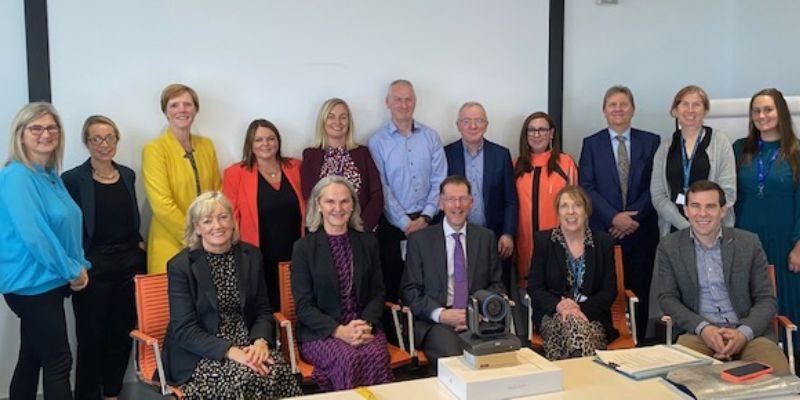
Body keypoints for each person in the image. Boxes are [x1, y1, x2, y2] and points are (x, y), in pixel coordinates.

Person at [161, 191, 302, 399]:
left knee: (276, 372)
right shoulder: (181, 266)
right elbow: (184, 329)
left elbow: (263, 310)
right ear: (197, 228)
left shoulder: (251, 255)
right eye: (207, 221)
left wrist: (261, 341)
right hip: (201, 352)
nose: (217, 226)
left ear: (233, 220)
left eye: (223, 217)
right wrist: (231, 351)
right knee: (244, 379)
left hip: (250, 345)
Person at [0, 102, 90, 399]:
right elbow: (36, 235)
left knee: (32, 357)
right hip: (31, 285)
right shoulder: (17, 176)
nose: (45, 134)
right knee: (58, 361)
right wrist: (71, 270)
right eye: (36, 128)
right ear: (21, 134)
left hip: (50, 280)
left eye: (52, 127)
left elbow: (67, 227)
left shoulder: (49, 174)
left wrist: (79, 265)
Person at [656, 180, 790, 375]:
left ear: (722, 210)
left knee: (778, 380)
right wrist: (704, 328)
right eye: (695, 206)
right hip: (697, 335)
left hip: (750, 335)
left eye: (710, 206)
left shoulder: (748, 243)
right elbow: (667, 298)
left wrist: (743, 333)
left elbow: (767, 300)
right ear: (685, 210)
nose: (702, 213)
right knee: (683, 380)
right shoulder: (669, 247)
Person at [61, 115, 146, 400]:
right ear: (86, 143)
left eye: (109, 137)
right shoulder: (73, 179)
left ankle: (111, 393)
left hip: (129, 265)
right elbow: (68, 226)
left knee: (121, 336)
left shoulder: (128, 174)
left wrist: (139, 243)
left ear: (117, 140)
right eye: (96, 138)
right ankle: (86, 395)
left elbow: (129, 217)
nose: (103, 144)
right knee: (90, 340)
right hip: (92, 268)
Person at [291, 176, 393, 391]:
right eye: (330, 202)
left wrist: (365, 325)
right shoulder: (304, 248)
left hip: (364, 327)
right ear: (318, 205)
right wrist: (338, 331)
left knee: (375, 355)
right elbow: (303, 306)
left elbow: (378, 292)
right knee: (347, 358)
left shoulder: (368, 242)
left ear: (353, 205)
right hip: (322, 333)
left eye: (345, 201)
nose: (338, 208)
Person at [578, 85, 660, 342]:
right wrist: (615, 217)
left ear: (633, 109)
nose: (618, 109)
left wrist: (632, 220)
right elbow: (587, 186)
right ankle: (607, 339)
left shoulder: (652, 141)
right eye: (612, 104)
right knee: (604, 290)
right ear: (604, 110)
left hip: (641, 231)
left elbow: (656, 186)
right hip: (605, 231)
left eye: (624, 104)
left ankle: (640, 344)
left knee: (640, 291)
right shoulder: (591, 143)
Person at [400, 175, 506, 367]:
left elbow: (496, 284)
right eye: (450, 199)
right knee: (457, 360)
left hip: (478, 320)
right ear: (441, 203)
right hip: (437, 323)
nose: (457, 205)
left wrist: (478, 314)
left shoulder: (486, 237)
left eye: (463, 199)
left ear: (471, 202)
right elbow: (410, 290)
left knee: (496, 358)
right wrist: (440, 314)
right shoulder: (420, 240)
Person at [733, 88, 800, 362]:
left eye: (768, 109)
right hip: (747, 240)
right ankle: (756, 362)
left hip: (785, 243)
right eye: (757, 110)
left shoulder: (796, 152)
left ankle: (792, 366)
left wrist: (799, 245)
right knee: (750, 301)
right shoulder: (740, 149)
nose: (762, 116)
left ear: (781, 112)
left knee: (787, 305)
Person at [368, 79, 447, 301]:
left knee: (432, 280)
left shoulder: (431, 137)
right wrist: (405, 223)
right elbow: (381, 187)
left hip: (430, 221)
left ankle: (431, 328)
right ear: (387, 103)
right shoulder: (377, 142)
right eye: (398, 100)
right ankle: (397, 332)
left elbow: (439, 181)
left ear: (415, 102)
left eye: (408, 99)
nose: (404, 105)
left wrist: (426, 216)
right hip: (393, 227)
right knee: (394, 283)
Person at [528, 186, 618, 360]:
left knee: (573, 329)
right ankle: (588, 379)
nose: (571, 212)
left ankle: (563, 378)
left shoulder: (603, 243)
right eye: (564, 206)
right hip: (553, 316)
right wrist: (559, 306)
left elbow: (609, 291)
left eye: (577, 206)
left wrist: (578, 309)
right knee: (573, 328)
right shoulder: (544, 242)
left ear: (586, 211)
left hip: (592, 317)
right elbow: (535, 287)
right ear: (558, 211)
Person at [223, 119, 304, 310]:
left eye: (270, 138)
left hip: (296, 254)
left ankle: (295, 340)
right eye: (259, 140)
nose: (266, 144)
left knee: (296, 307)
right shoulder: (235, 174)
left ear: (278, 141)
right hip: (258, 256)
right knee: (267, 309)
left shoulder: (296, 167)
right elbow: (230, 217)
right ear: (250, 144)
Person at [143, 83, 222, 274]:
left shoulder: (206, 145)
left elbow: (216, 193)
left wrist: (210, 233)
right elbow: (162, 205)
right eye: (174, 105)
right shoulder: (154, 150)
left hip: (209, 240)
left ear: (195, 110)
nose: (182, 110)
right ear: (166, 112)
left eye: (187, 104)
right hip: (170, 242)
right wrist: (195, 237)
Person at [444, 101, 518, 291]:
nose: (473, 126)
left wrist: (508, 234)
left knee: (495, 292)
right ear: (458, 125)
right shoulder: (446, 154)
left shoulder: (501, 154)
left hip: (493, 238)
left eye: (479, 121)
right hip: (457, 236)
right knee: (459, 289)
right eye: (467, 121)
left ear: (486, 124)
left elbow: (511, 200)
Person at [651, 85, 736, 237]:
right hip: (674, 229)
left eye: (696, 105)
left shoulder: (721, 142)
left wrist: (703, 224)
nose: (690, 110)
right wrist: (686, 226)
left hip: (713, 230)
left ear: (705, 110)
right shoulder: (665, 147)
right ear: (675, 110)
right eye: (684, 104)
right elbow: (658, 195)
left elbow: (728, 193)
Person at [515, 111, 578, 290]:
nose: (537, 135)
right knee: (526, 299)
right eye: (531, 130)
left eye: (542, 129)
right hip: (524, 243)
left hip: (559, 243)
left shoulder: (565, 163)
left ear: (551, 133)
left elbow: (578, 206)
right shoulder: (517, 164)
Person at [301, 98, 383, 232]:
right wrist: (330, 231)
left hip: (361, 232)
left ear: (349, 122)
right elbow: (310, 197)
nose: (337, 122)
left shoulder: (362, 153)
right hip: (325, 234)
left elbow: (377, 195)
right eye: (331, 117)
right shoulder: (311, 155)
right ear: (322, 121)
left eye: (343, 117)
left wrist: (362, 228)